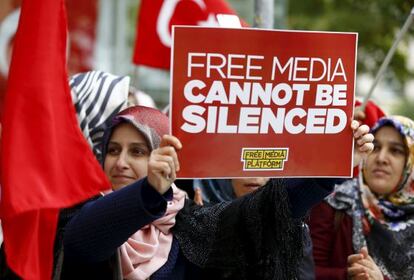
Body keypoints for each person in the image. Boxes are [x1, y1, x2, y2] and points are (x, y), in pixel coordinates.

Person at [58, 105, 373, 280]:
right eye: (113, 150)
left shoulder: (189, 225)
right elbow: (83, 242)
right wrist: (149, 190)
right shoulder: (78, 212)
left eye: (139, 152)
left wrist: (335, 162)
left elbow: (268, 207)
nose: (122, 162)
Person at [309, 115, 414, 280]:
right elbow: (304, 270)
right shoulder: (335, 201)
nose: (381, 158)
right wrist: (350, 275)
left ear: (410, 160)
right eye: (375, 147)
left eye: (396, 150)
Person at [193, 178, 316, 280]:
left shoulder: (293, 228)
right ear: (228, 178)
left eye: (262, 167)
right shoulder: (203, 222)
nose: (254, 176)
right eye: (244, 166)